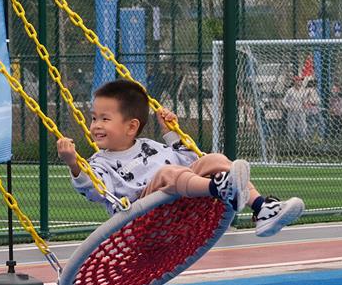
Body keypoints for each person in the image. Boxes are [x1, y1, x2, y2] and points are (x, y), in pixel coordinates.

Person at [56, 79, 304, 237]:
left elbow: (188, 160)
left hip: (179, 208)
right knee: (168, 174)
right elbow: (95, 191)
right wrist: (73, 163)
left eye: (104, 119)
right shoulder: (99, 163)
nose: (96, 125)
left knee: (213, 159)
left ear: (131, 127)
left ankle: (262, 208)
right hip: (142, 222)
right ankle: (220, 189)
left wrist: (170, 132)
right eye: (94, 118)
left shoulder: (149, 146)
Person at [283, 75, 319, 140]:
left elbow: (305, 99)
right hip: (292, 111)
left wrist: (306, 103)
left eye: (300, 81)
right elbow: (284, 101)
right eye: (298, 80)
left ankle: (302, 139)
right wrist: (289, 107)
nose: (300, 82)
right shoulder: (290, 90)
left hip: (301, 110)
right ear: (295, 82)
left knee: (302, 125)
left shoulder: (303, 90)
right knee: (291, 126)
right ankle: (291, 139)